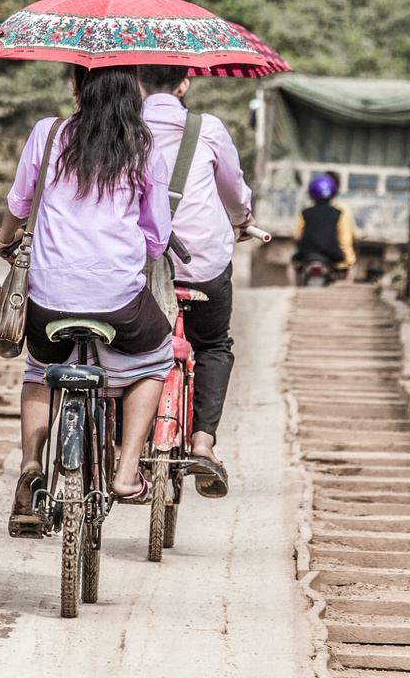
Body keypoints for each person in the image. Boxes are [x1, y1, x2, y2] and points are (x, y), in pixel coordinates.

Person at [0, 65, 175, 536]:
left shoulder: (48, 133)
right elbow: (156, 237)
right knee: (158, 358)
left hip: (49, 299)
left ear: (77, 87)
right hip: (118, 299)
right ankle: (126, 470)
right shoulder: (145, 146)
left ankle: (31, 467)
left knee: (39, 369)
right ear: (134, 93)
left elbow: (20, 202)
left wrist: (4, 241)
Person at [137, 64, 253, 499]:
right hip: (202, 265)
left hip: (143, 266)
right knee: (214, 345)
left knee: (123, 344)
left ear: (136, 82)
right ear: (184, 83)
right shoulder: (208, 128)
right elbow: (234, 190)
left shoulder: (123, 127)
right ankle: (203, 443)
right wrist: (243, 220)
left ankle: (118, 447)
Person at [294, 173, 355, 278]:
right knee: (348, 271)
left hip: (306, 256)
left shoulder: (305, 212)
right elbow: (345, 241)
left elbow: (297, 235)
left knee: (293, 266)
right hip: (333, 257)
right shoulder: (340, 213)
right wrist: (350, 261)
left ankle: (294, 289)